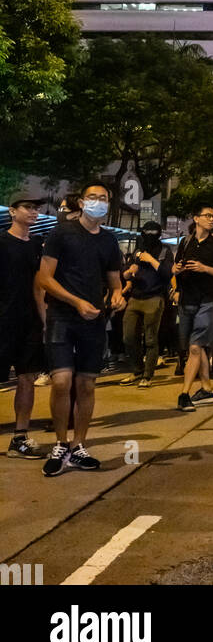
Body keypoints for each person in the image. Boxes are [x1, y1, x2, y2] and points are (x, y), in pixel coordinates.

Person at [37, 183, 125, 477]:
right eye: (93, 197)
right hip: (62, 316)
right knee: (61, 381)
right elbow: (44, 278)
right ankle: (60, 444)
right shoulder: (62, 233)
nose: (98, 202)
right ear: (82, 202)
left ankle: (78, 447)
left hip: (93, 321)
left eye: (103, 198)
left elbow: (114, 280)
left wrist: (117, 295)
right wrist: (76, 302)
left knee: (86, 384)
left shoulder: (109, 241)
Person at [1, 193, 48, 459]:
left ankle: (19, 437)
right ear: (12, 211)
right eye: (28, 207)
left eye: (36, 209)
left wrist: (43, 322)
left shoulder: (36, 246)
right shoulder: (1, 242)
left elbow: (39, 287)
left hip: (28, 321)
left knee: (27, 378)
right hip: (3, 321)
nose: (33, 212)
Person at [173, 205, 213, 412]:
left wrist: (205, 268)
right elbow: (174, 268)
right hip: (186, 300)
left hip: (207, 300)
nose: (211, 219)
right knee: (193, 346)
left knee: (195, 347)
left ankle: (184, 394)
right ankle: (206, 388)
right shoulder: (185, 242)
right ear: (196, 218)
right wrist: (177, 270)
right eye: (207, 216)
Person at [121, 220, 173, 386]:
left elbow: (167, 274)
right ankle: (137, 370)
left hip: (154, 297)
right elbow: (126, 274)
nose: (149, 235)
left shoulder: (165, 250)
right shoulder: (137, 249)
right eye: (146, 232)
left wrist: (151, 260)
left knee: (150, 339)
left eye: (153, 232)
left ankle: (147, 375)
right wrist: (130, 272)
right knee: (128, 337)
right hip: (135, 297)